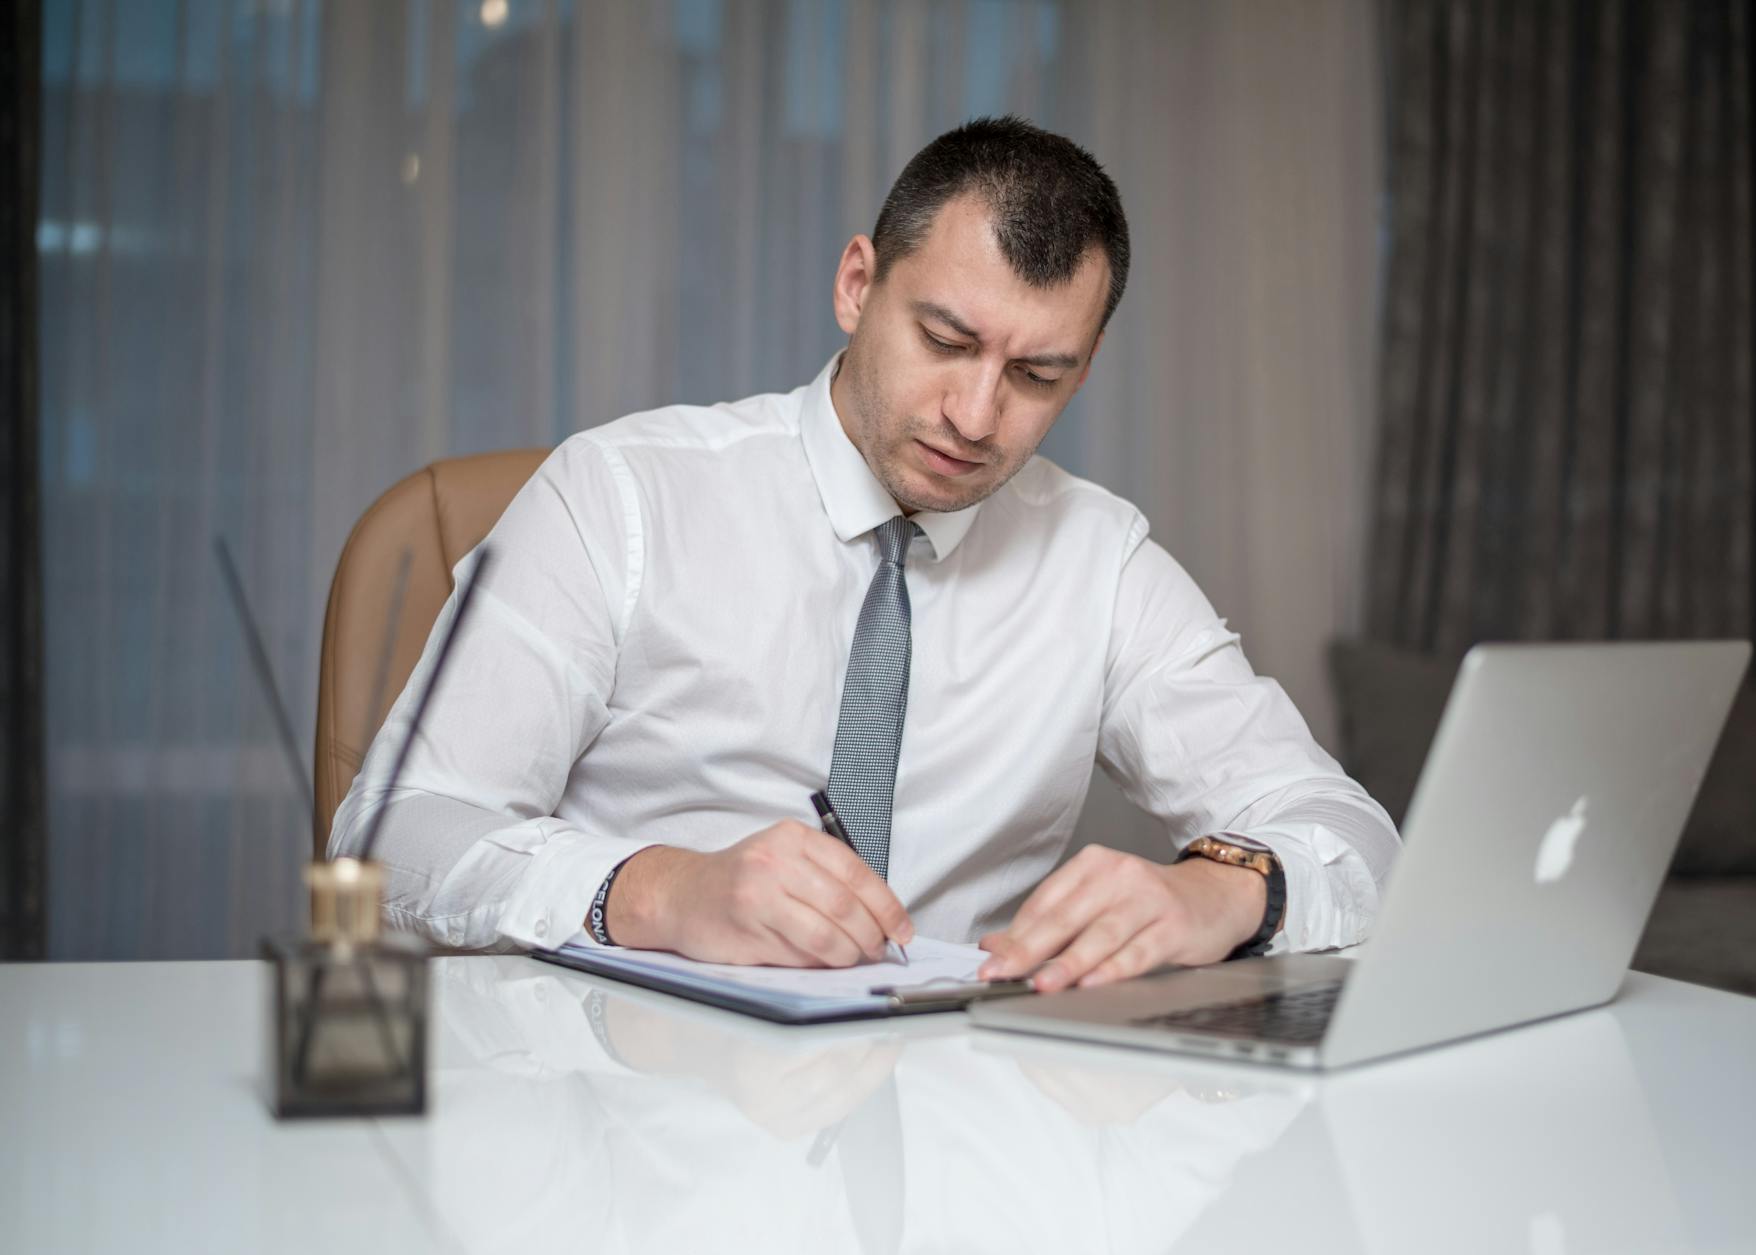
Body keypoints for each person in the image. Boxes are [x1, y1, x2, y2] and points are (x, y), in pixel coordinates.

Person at [329, 116, 1399, 995]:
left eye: (1035, 374)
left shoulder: (1099, 562)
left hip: (966, 1132)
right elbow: (389, 838)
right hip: (626, 1121)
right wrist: (658, 892)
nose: (975, 416)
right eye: (944, 340)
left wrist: (1220, 891)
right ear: (856, 286)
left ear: (1084, 369)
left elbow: (1352, 835)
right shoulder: (621, 496)